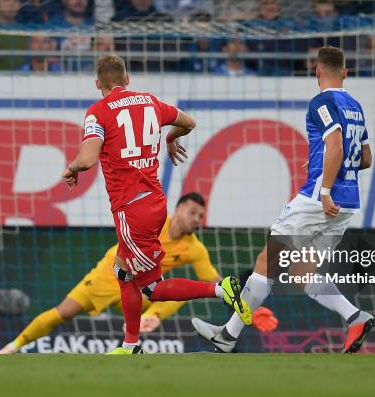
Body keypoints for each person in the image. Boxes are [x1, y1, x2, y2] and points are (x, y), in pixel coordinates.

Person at [61, 55, 251, 354]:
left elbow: (86, 160)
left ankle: (221, 289)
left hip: (130, 209)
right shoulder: (150, 101)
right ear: (127, 80)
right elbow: (189, 122)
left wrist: (71, 168)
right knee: (123, 273)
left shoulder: (97, 112)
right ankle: (131, 344)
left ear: (98, 83)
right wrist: (170, 138)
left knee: (151, 288)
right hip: (154, 203)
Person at [192, 46, 375, 354]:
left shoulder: (322, 101)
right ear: (345, 72)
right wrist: (322, 164)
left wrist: (326, 186)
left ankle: (228, 335)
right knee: (302, 273)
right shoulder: (355, 106)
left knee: (267, 261)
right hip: (348, 203)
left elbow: (336, 147)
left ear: (317, 72)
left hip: (320, 199)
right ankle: (355, 316)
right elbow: (365, 157)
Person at [0, 192, 275, 353]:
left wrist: (245, 305)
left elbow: (214, 282)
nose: (196, 219)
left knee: (174, 293)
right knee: (63, 312)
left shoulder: (195, 248)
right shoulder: (154, 223)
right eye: (192, 212)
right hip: (110, 276)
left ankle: (145, 324)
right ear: (177, 209)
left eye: (200, 216)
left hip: (144, 289)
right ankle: (14, 345)